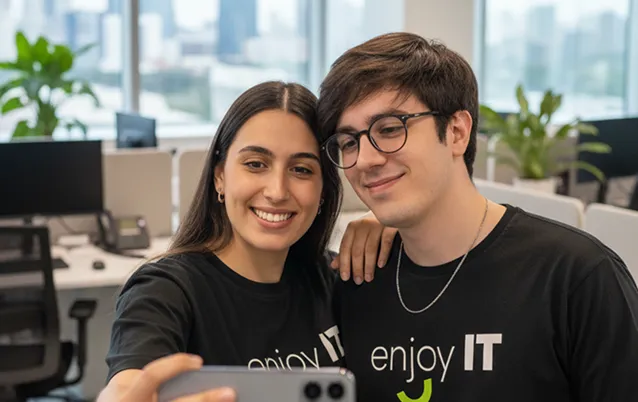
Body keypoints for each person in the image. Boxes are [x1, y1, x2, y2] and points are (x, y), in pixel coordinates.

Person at [319, 32, 638, 402]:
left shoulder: (575, 277)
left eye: (390, 129)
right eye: (349, 142)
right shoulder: (357, 277)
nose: (367, 159)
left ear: (457, 131)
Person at [97, 81, 394, 402]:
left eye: (301, 169)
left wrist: (396, 221)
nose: (277, 191)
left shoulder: (335, 278)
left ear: (323, 190)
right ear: (220, 176)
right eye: (256, 164)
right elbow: (129, 383)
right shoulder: (165, 290)